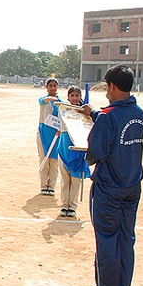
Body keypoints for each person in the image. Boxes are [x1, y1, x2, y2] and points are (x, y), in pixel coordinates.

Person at [77, 66, 143, 286]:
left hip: (108, 188)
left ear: (112, 87)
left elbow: (95, 152)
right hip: (131, 186)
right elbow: (117, 125)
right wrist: (93, 114)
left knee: (106, 241)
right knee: (126, 240)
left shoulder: (108, 117)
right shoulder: (139, 114)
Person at [57, 86, 89, 218]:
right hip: (65, 145)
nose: (75, 98)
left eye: (77, 95)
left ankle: (72, 206)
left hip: (78, 146)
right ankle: (64, 205)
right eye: (72, 95)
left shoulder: (85, 111)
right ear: (68, 97)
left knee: (76, 179)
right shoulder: (63, 109)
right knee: (65, 178)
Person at [37, 78, 61, 196]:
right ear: (46, 87)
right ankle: (43, 185)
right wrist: (49, 99)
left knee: (54, 161)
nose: (52, 88)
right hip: (43, 134)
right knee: (44, 159)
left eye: (54, 86)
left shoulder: (61, 102)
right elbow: (42, 101)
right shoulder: (44, 100)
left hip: (56, 135)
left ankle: (51, 186)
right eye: (50, 86)